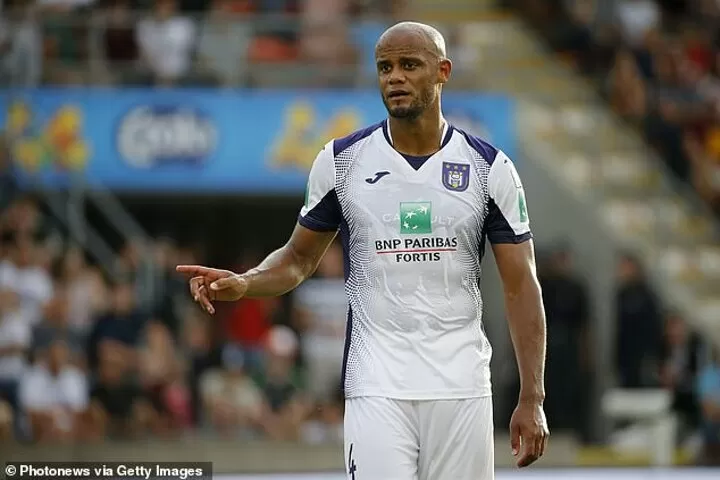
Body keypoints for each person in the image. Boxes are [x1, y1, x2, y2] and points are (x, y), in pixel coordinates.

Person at [178, 21, 549, 480]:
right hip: (376, 386)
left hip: (462, 386)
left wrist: (532, 396)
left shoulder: (489, 168)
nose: (395, 77)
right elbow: (297, 260)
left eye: (409, 65)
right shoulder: (342, 161)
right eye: (385, 67)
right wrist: (246, 282)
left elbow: (520, 285)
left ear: (443, 72)